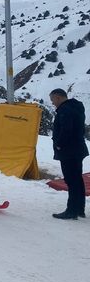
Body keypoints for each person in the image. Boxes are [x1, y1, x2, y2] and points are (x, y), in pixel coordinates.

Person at [49, 88, 89, 219]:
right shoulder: (76, 107)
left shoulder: (65, 110)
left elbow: (66, 129)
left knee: (71, 180)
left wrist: (59, 144)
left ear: (58, 97)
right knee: (77, 179)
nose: (53, 103)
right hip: (78, 148)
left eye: (53, 100)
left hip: (69, 151)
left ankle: (71, 211)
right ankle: (79, 209)